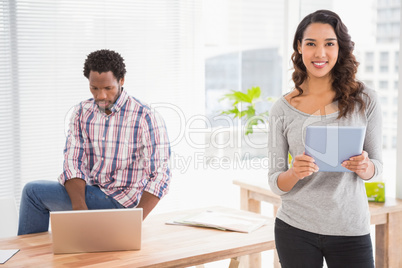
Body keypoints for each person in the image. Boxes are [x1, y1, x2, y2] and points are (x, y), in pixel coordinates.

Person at [268, 10, 382, 268]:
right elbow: (275, 182)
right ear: (299, 47)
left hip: (351, 228)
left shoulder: (365, 100)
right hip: (295, 228)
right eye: (311, 44)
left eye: (329, 44)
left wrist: (366, 167)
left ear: (340, 47)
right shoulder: (282, 109)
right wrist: (295, 173)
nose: (320, 53)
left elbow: (377, 166)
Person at [18, 49, 171, 235]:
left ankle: (24, 259)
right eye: (94, 88)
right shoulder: (82, 112)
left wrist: (134, 221)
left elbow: (161, 175)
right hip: (89, 195)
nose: (101, 96)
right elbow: (73, 162)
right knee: (36, 193)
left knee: (33, 193)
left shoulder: (145, 116)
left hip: (120, 202)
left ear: (121, 81)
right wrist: (80, 209)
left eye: (108, 88)